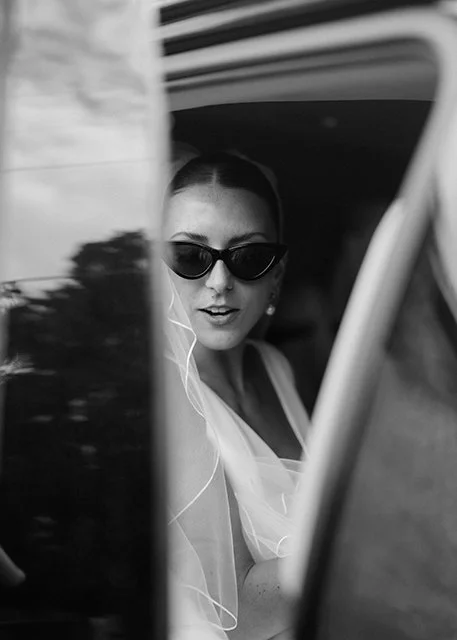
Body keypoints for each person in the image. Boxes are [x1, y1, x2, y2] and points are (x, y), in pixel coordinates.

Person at [163, 152, 310, 640]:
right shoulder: (168, 403)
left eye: (247, 257)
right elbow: (241, 610)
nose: (219, 283)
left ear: (277, 274)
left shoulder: (277, 368)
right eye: (190, 256)